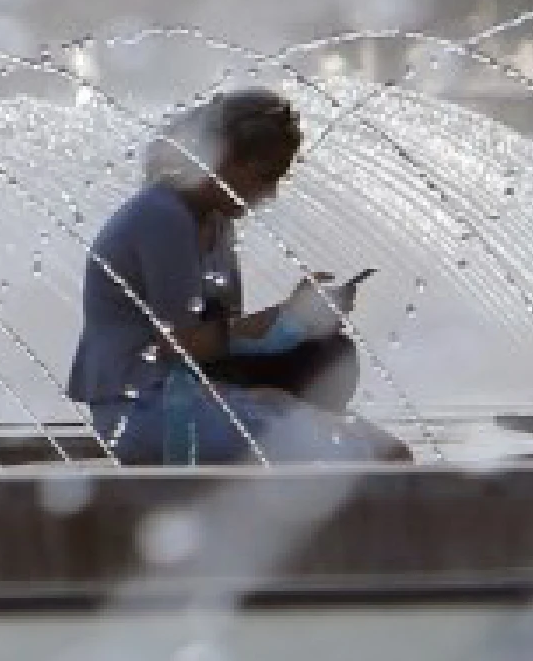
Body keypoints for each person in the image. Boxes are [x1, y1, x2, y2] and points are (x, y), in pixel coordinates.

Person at [66, 88, 409, 464]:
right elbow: (181, 344)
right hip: (143, 410)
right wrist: (288, 318)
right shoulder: (162, 216)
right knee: (368, 455)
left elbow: (224, 339)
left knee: (332, 361)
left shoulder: (215, 222)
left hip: (196, 393)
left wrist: (299, 322)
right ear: (222, 159)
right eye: (265, 175)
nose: (271, 192)